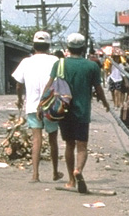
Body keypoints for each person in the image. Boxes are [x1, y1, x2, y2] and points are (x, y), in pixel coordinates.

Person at [54, 32, 111, 194]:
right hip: (83, 111)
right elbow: (98, 89)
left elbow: (50, 86)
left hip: (63, 111)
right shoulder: (91, 66)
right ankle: (78, 170)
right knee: (82, 146)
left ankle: (71, 181)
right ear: (83, 48)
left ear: (68, 47)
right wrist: (105, 102)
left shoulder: (60, 64)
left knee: (69, 144)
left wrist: (41, 106)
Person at [11, 30, 62, 183]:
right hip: (50, 106)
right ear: (48, 46)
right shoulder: (55, 61)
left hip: (33, 106)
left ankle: (35, 175)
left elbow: (18, 85)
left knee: (36, 140)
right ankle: (54, 172)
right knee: (53, 139)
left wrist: (20, 99)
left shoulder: (26, 62)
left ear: (34, 46)